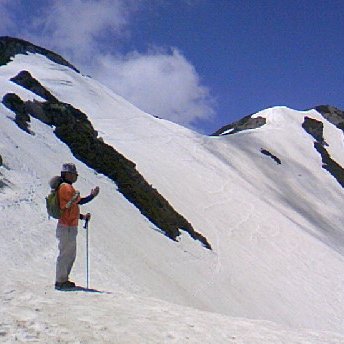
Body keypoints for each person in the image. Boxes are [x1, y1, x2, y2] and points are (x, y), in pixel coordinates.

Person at [55, 163, 99, 290]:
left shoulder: (63, 187)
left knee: (68, 253)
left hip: (67, 225)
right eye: (74, 174)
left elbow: (69, 208)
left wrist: (81, 217)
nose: (75, 177)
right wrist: (92, 195)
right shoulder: (67, 188)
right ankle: (61, 281)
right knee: (66, 253)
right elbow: (79, 201)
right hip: (67, 226)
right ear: (67, 174)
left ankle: (62, 280)